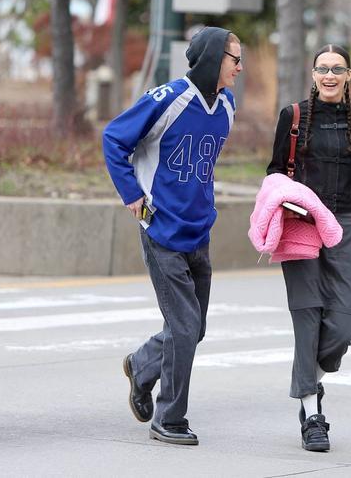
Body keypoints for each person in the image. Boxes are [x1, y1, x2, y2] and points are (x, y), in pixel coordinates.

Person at [102, 27, 242, 446]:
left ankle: (142, 365)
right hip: (161, 230)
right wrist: (133, 197)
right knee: (183, 326)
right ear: (215, 58)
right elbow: (114, 139)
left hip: (200, 231)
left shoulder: (228, 106)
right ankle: (170, 418)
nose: (240, 66)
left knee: (192, 328)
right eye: (235, 58)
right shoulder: (168, 98)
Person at [267, 44, 351, 452]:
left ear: (348, 75)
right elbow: (275, 170)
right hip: (301, 223)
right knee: (308, 317)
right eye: (322, 68)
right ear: (312, 74)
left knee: (340, 328)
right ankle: (312, 415)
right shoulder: (293, 117)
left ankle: (312, 382)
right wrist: (290, 201)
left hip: (341, 224)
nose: (329, 75)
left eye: (337, 69)